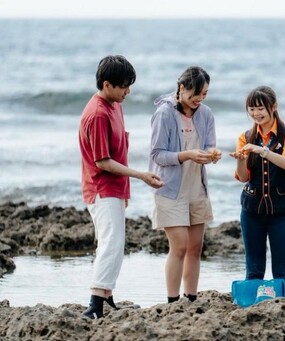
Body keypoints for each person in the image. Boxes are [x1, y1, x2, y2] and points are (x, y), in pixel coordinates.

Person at [79, 55, 164, 319]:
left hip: (116, 188)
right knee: (110, 243)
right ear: (107, 84)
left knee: (115, 242)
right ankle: (94, 305)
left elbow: (120, 149)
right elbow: (103, 161)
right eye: (124, 86)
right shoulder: (98, 114)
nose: (128, 91)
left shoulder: (115, 105)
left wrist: (126, 188)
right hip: (101, 187)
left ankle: (106, 297)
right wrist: (141, 175)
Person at [149, 66, 221, 304]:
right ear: (181, 88)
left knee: (195, 247)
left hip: (196, 188)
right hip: (170, 189)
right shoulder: (164, 114)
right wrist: (187, 155)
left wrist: (212, 154)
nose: (199, 100)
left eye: (205, 94)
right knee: (179, 246)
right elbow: (158, 155)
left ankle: (190, 299)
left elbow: (210, 144)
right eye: (195, 94)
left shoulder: (206, 113)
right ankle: (172, 302)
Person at [230, 86, 285, 296]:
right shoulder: (245, 137)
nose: (256, 114)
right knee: (254, 270)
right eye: (251, 109)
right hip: (252, 210)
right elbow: (243, 178)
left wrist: (263, 150)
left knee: (282, 271)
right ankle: (251, 311)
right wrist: (241, 161)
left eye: (260, 108)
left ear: (274, 107)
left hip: (282, 211)